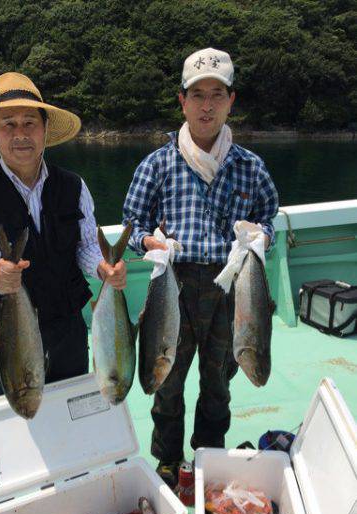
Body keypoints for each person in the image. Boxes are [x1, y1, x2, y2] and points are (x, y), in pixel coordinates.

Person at [123, 48, 278, 489]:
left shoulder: (251, 167)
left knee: (219, 382)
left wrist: (261, 237)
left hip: (230, 288)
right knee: (166, 379)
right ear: (182, 101)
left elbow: (269, 221)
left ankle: (208, 454)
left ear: (231, 100)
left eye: (216, 95)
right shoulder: (157, 164)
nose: (206, 106)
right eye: (197, 95)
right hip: (174, 283)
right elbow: (133, 226)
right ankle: (169, 460)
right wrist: (149, 242)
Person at [0, 72, 126, 400]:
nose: (20, 134)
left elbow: (86, 244)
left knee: (70, 417)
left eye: (29, 123)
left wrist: (103, 268)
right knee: (10, 421)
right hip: (7, 334)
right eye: (8, 124)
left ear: (45, 128)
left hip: (67, 329)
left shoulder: (74, 186)